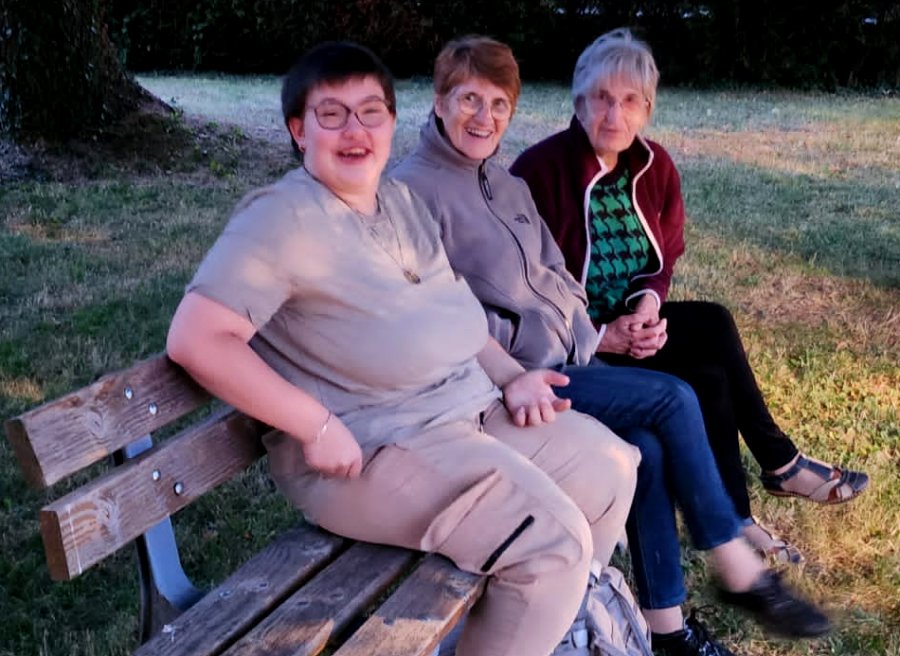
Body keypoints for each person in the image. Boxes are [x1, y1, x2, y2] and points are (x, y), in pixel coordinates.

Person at [166, 41, 640, 656]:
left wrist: (510, 376)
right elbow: (196, 339)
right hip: (376, 445)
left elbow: (455, 313)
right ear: (298, 130)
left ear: (392, 123)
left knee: (610, 468)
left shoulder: (401, 202)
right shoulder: (282, 218)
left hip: (467, 410)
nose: (355, 130)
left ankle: (554, 634)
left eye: (371, 112)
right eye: (332, 114)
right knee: (553, 544)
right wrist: (314, 424)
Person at [392, 35, 832, 656]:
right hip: (509, 379)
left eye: (498, 104)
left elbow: (556, 276)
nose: (483, 117)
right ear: (439, 101)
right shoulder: (414, 192)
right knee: (674, 398)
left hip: (569, 358)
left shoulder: (502, 185)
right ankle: (736, 564)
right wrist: (533, 364)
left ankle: (668, 632)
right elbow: (439, 313)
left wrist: (593, 339)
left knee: (648, 445)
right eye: (468, 100)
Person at [510, 28, 868, 562]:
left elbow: (663, 255)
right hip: (572, 343)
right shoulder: (539, 172)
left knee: (711, 357)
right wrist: (602, 335)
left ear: (647, 109)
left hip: (629, 326)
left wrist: (648, 307)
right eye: (602, 98)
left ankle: (742, 514)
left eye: (630, 100)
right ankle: (780, 467)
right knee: (708, 351)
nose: (614, 114)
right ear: (579, 101)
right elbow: (524, 282)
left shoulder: (653, 166)